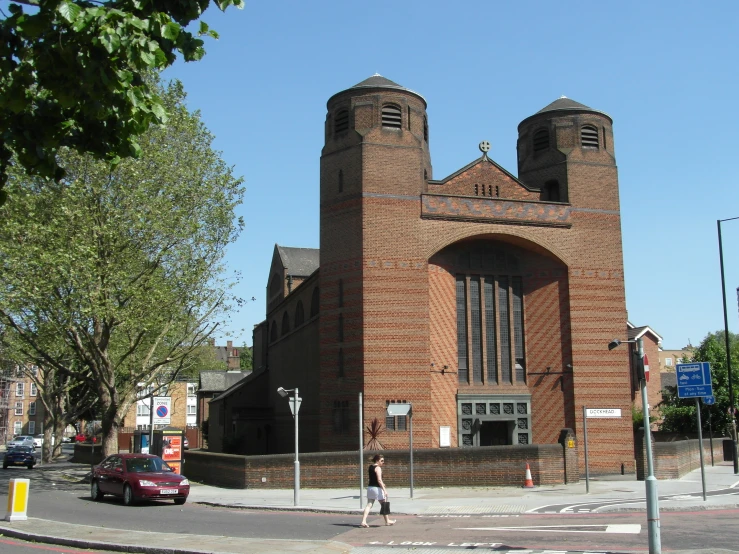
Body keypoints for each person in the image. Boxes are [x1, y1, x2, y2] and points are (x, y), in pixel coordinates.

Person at [360, 454, 396, 527]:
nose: (383, 462)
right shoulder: (378, 468)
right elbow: (379, 480)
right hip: (377, 489)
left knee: (369, 505)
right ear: (377, 460)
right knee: (384, 505)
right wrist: (384, 490)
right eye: (381, 461)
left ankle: (363, 521)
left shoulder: (370, 467)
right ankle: (387, 521)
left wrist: (383, 483)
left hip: (370, 488)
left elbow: (374, 479)